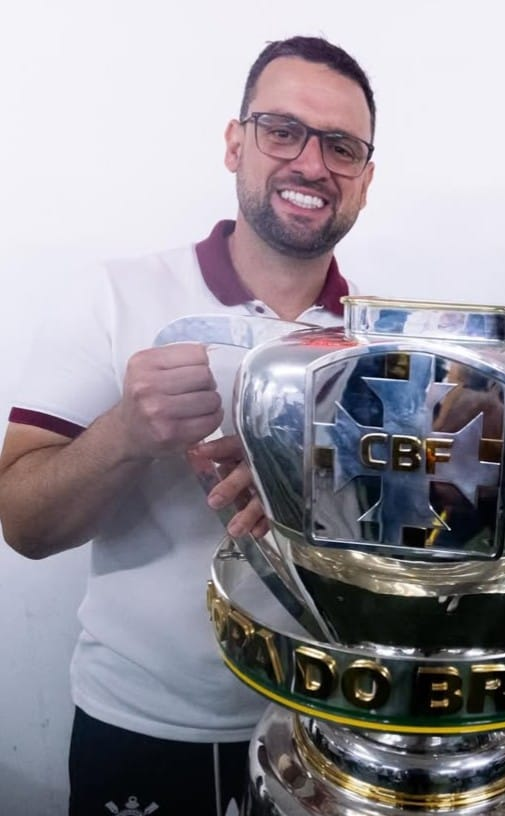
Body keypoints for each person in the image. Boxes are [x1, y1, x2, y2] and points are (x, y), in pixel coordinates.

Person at [0, 35, 376, 815]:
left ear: (365, 180)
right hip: (140, 725)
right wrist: (126, 435)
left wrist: (329, 497)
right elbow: (23, 524)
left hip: (333, 728)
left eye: (341, 146)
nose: (311, 163)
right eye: (282, 131)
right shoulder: (112, 295)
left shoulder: (385, 350)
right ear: (235, 143)